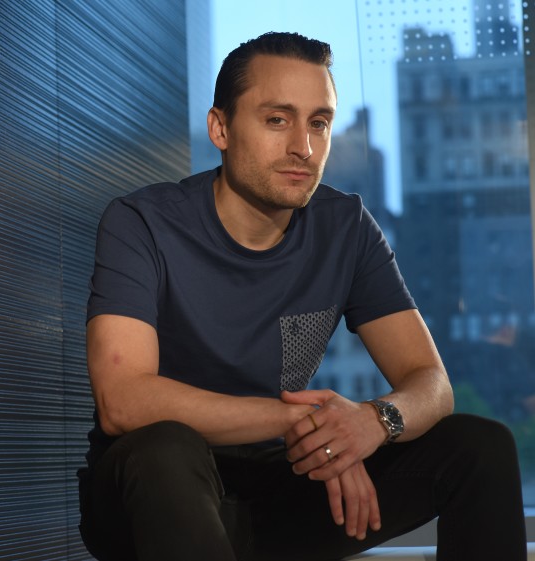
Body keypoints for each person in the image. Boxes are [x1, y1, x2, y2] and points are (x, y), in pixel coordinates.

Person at [77, 31, 527, 561]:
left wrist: (370, 422)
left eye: (319, 123)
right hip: (149, 492)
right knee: (166, 446)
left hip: (281, 483)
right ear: (220, 128)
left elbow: (431, 384)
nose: (304, 148)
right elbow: (123, 402)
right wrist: (305, 422)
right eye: (277, 119)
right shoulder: (143, 223)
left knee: (480, 447)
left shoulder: (346, 228)